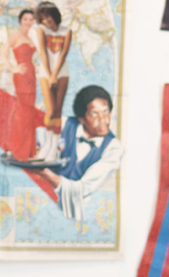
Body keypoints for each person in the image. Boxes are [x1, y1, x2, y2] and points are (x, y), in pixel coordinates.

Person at [32, 85, 124, 220]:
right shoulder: (65, 124)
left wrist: (46, 173)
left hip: (80, 213)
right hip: (40, 203)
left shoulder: (113, 148)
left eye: (106, 111)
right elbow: (34, 136)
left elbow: (82, 189)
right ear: (81, 119)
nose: (103, 119)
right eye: (94, 114)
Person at [4, 8, 40, 160]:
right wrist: (13, 68)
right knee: (22, 112)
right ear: (20, 21)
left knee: (29, 112)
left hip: (31, 76)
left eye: (31, 20)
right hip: (21, 77)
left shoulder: (30, 37)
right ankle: (18, 150)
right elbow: (2, 52)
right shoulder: (16, 36)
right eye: (25, 19)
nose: (28, 22)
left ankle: (29, 151)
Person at [32, 1, 72, 129]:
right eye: (42, 19)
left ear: (54, 15)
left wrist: (55, 75)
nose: (46, 21)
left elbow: (63, 54)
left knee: (58, 111)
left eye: (48, 16)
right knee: (51, 110)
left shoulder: (67, 31)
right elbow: (43, 53)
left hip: (62, 72)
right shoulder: (41, 29)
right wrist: (50, 76)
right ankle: (46, 142)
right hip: (45, 72)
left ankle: (55, 144)